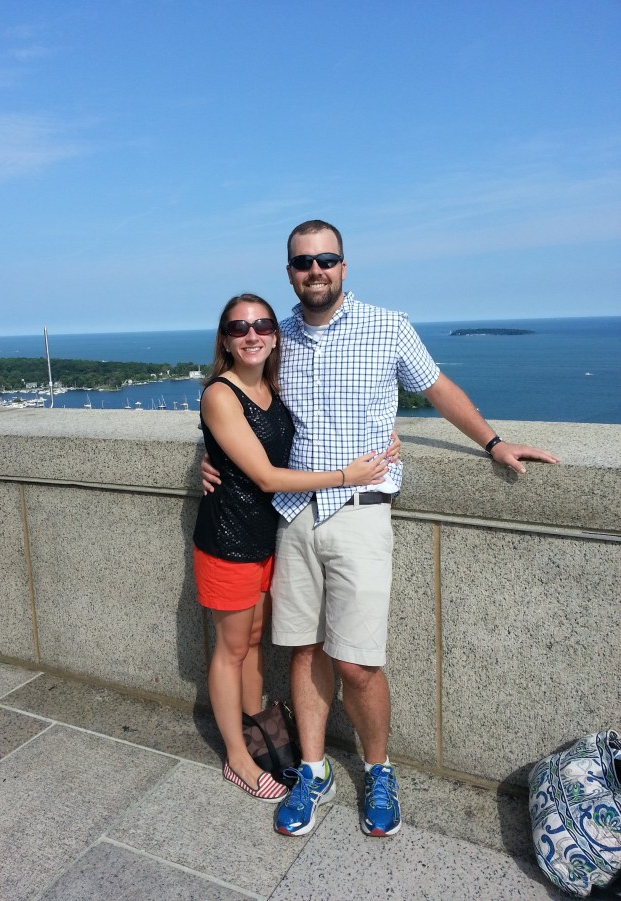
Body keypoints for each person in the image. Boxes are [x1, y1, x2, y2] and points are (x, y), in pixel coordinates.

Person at [202, 222, 560, 836]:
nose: (316, 270)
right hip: (293, 516)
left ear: (344, 266)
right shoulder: (276, 335)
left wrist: (493, 442)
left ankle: (378, 769)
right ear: (289, 272)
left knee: (359, 663)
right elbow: (236, 395)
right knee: (305, 650)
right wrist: (209, 458)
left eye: (326, 259)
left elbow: (437, 388)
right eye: (303, 262)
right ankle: (313, 769)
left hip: (362, 511)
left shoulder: (387, 326)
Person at [193, 292, 396, 804]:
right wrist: (347, 476)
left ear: (275, 334)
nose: (252, 335)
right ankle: (237, 758)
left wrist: (383, 436)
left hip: (269, 535)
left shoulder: (272, 385)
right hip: (229, 539)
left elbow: (318, 424)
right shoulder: (220, 393)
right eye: (239, 328)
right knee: (231, 649)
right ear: (224, 340)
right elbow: (265, 475)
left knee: (253, 641)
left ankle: (258, 733)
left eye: (262, 325)